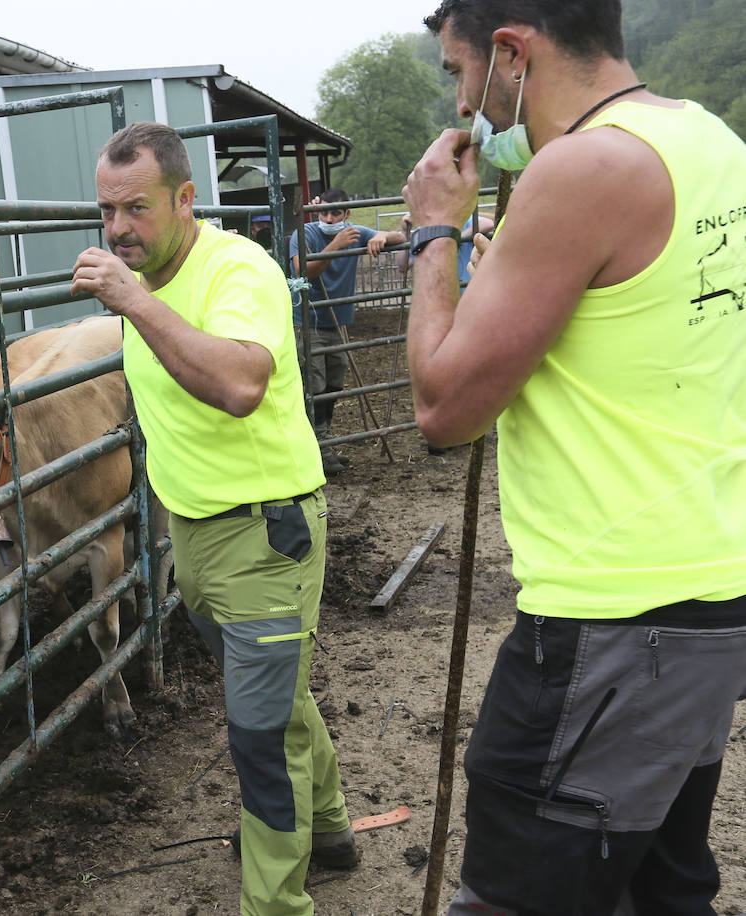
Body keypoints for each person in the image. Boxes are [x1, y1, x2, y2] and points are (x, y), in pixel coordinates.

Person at [403, 2, 746, 913]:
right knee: (658, 891)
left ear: (512, 53)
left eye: (457, 71)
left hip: (613, 621)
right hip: (706, 597)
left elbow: (442, 408)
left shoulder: (581, 168)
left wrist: (434, 231)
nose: (464, 101)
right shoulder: (711, 143)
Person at [71, 122, 358, 916]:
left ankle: (275, 904)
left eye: (137, 209)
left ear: (186, 199)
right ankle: (330, 830)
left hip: (267, 533)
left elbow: (238, 386)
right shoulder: (143, 280)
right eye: (107, 211)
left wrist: (132, 301)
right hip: (193, 535)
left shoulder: (239, 269)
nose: (119, 229)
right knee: (274, 700)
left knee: (258, 736)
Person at [289, 188, 406, 474]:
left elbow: (401, 238)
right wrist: (336, 245)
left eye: (336, 213)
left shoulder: (354, 231)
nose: (329, 218)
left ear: (346, 214)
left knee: (334, 382)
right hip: (310, 320)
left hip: (338, 320)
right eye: (325, 212)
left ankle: (325, 439)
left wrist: (382, 236)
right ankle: (318, 448)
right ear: (318, 212)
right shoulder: (305, 234)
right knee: (314, 385)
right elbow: (303, 270)